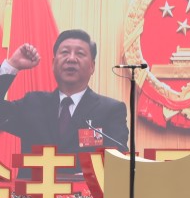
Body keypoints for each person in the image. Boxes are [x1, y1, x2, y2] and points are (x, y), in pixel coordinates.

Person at [0, 30, 128, 174]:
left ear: (92, 66)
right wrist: (12, 65)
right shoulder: (32, 103)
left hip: (84, 195)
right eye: (65, 52)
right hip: (36, 194)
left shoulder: (110, 111)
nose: (71, 59)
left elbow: (118, 160)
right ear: (53, 63)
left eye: (80, 54)